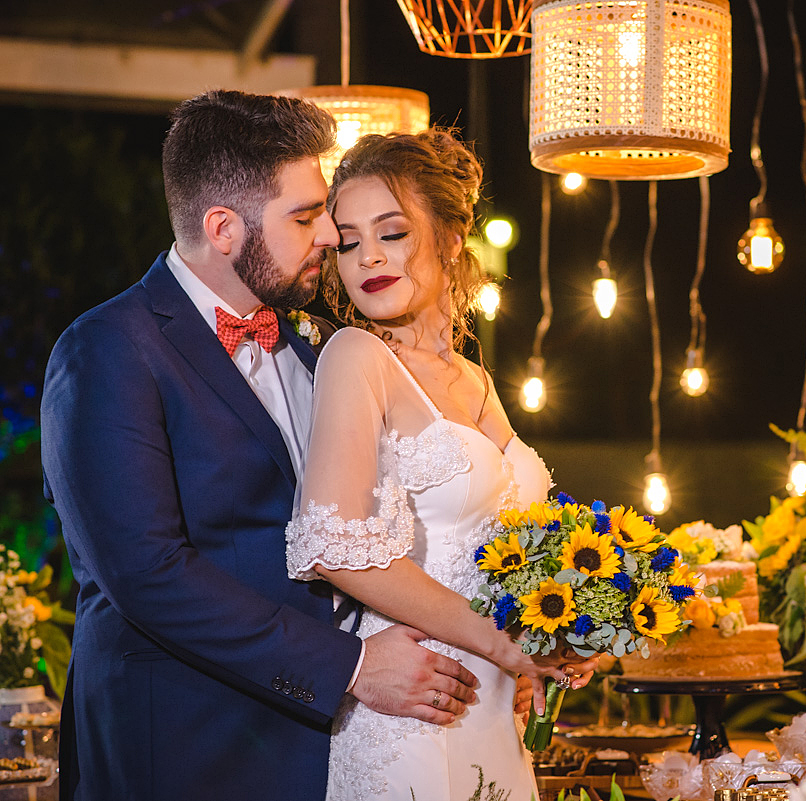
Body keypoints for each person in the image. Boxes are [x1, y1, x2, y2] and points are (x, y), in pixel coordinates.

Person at [40, 90, 481, 801]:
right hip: (185, 750)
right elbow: (148, 575)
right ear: (223, 228)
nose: (331, 236)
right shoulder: (108, 349)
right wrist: (350, 665)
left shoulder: (317, 347)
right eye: (304, 217)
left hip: (328, 746)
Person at [285, 128, 596, 800]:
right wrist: (505, 644)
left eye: (392, 232)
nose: (368, 256)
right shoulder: (356, 357)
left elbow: (522, 545)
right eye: (348, 242)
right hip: (415, 709)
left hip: (498, 709)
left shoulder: (477, 381)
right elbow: (335, 548)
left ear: (452, 239)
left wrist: (567, 631)